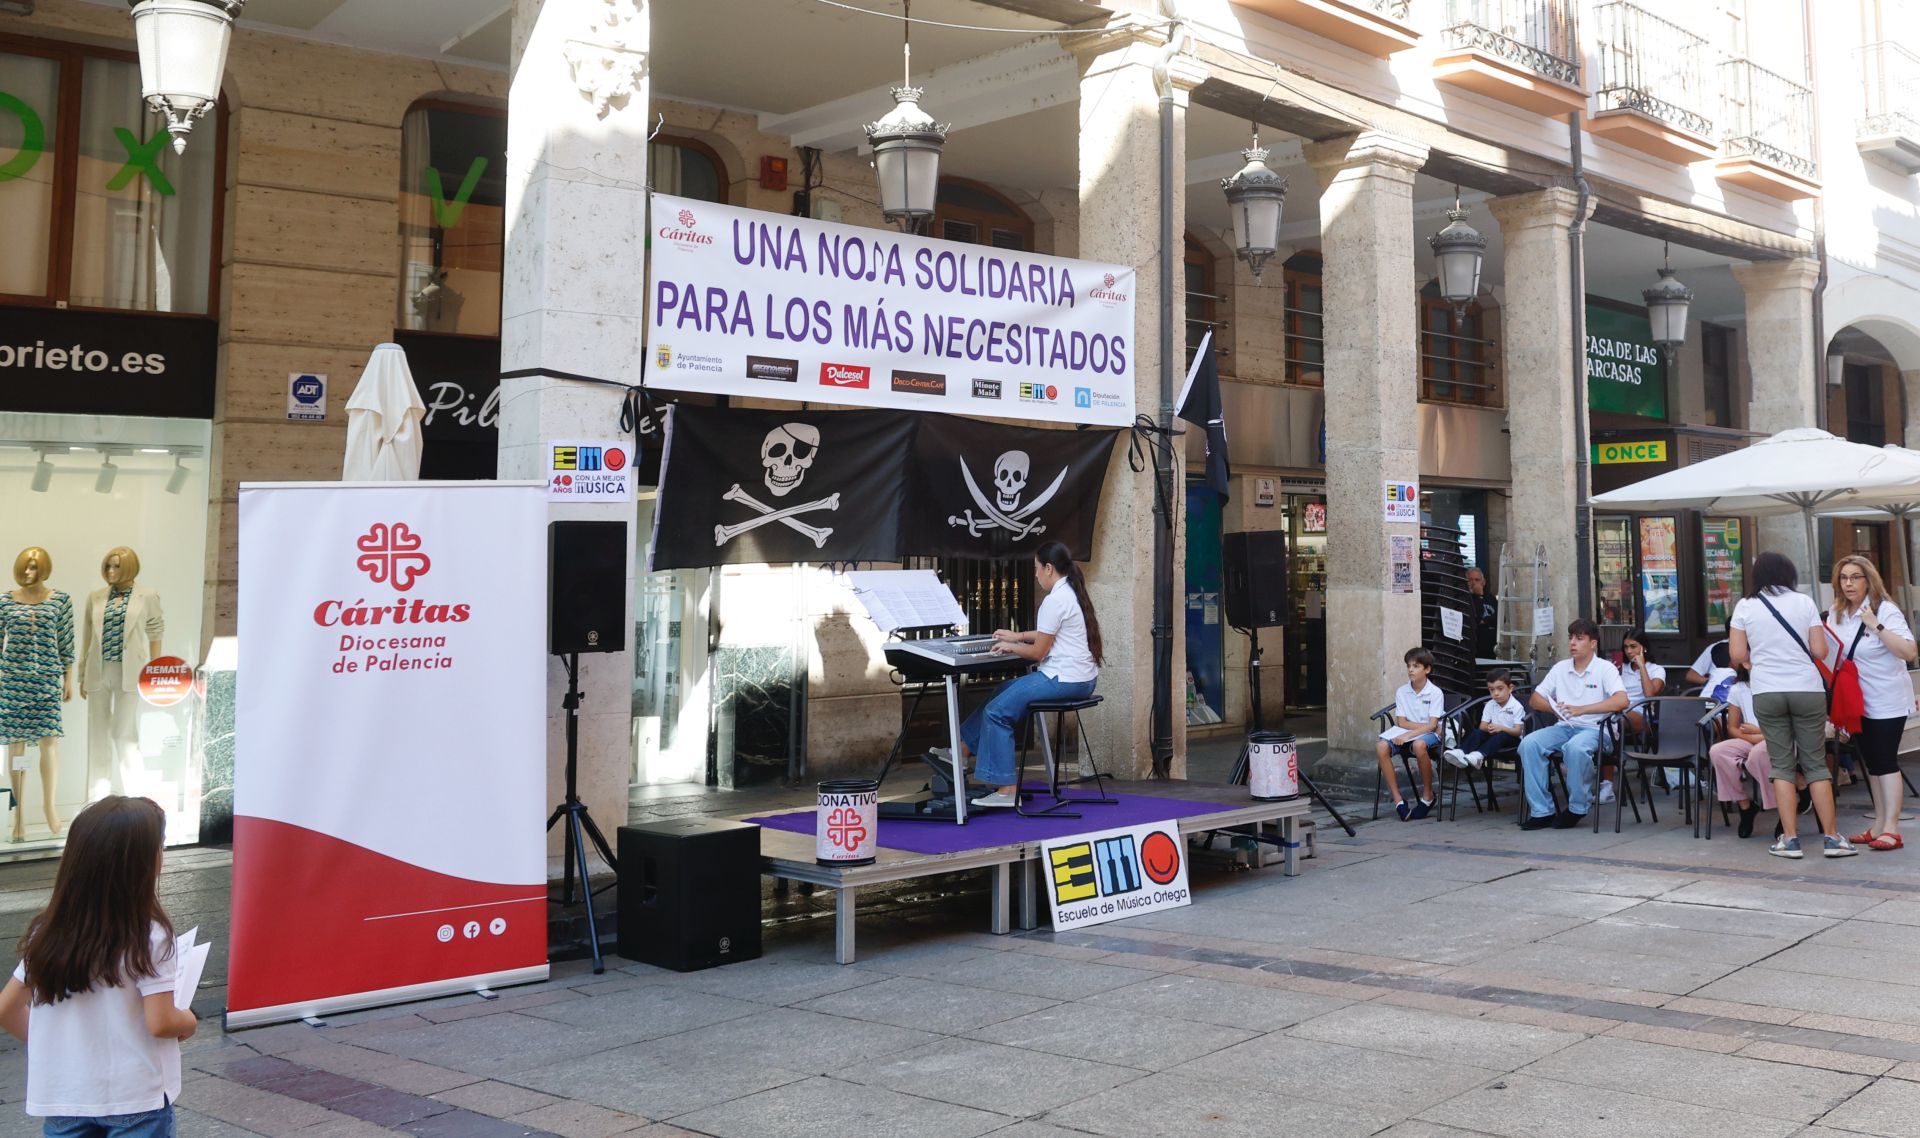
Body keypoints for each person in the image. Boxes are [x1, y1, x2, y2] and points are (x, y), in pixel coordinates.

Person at [0, 796, 195, 1135]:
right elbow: (162, 1022)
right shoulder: (150, 934)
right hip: (135, 1097)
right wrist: (189, 1021)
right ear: (142, 863)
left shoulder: (45, 931)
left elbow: (6, 1009)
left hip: (64, 1097)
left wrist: (61, 1049)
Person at [954, 542, 1101, 809]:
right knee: (1003, 690)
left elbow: (1038, 653)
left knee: (996, 712)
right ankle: (961, 751)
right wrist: (1018, 635)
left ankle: (1007, 789)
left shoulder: (1054, 600)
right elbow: (1049, 633)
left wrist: (1012, 646)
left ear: (1048, 568)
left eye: (1036, 569)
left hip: (1063, 680)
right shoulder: (1070, 591)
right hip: (1081, 679)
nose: (1034, 575)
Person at [1729, 551, 1850, 859]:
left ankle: (1790, 840)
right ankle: (1832, 839)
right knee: (1815, 765)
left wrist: (1757, 660)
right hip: (1806, 689)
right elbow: (1820, 651)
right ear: (1788, 573)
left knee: (1781, 766)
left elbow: (1736, 653)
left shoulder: (1745, 606)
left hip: (1767, 690)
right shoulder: (1804, 602)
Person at [1825, 555, 1917, 851]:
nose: (1848, 583)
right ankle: (1878, 824)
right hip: (1855, 701)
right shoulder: (1835, 613)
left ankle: (1892, 828)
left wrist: (1875, 625)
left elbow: (1908, 651)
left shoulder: (1885, 610)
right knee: (1872, 764)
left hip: (1888, 698)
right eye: (1843, 578)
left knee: (1886, 760)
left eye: (1855, 577)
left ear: (1869, 580)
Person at [1519, 618, 1629, 830]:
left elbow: (1622, 700)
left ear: (1593, 643)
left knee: (1576, 747)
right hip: (1565, 728)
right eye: (1570, 638)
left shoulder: (1605, 668)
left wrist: (1583, 709)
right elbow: (1535, 699)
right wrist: (1555, 709)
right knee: (1529, 744)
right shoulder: (1560, 668)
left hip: (1597, 729)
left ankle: (1577, 807)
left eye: (1579, 638)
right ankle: (1542, 811)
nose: (1572, 643)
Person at [1376, 647, 1446, 820]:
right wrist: (1424, 727)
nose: (1410, 670)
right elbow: (1402, 722)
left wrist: (1412, 733)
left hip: (1425, 736)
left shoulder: (1435, 692)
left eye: (1415, 666)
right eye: (1408, 666)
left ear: (1427, 669)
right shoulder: (1402, 691)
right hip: (1408, 731)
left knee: (1419, 744)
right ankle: (1398, 799)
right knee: (1381, 746)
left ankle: (1428, 796)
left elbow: (1433, 726)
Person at [1600, 629, 1667, 804]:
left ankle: (1607, 784)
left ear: (1643, 648)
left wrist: (1642, 667)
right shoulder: (1620, 668)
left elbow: (1651, 694)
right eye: (1626, 647)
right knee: (1607, 724)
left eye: (1633, 646)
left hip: (1641, 715)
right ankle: (1606, 785)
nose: (1629, 651)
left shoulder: (1656, 669)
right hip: (1615, 712)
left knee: (1615, 722)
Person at [1707, 666, 1775, 838]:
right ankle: (1745, 806)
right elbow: (1732, 728)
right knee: (1718, 751)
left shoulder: (1777, 683)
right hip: (1751, 738)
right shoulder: (1739, 688)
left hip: (1778, 739)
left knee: (1758, 755)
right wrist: (1755, 738)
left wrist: (1761, 735)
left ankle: (1783, 811)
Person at [1442, 668, 1525, 770]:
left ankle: (1478, 756)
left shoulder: (1516, 706)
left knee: (1501, 735)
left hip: (1512, 738)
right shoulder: (1490, 705)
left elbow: (1517, 731)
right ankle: (1461, 752)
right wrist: (1490, 728)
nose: (1496, 693)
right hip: (1494, 735)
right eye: (1492, 690)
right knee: (1478, 733)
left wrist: (1501, 728)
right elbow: (1482, 726)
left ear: (1510, 688)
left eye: (1500, 688)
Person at [1466, 568, 1498, 660]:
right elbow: (1476, 619)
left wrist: (1485, 621)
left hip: (1491, 645)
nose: (1473, 583)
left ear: (1483, 582)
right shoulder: (1466, 600)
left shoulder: (1491, 599)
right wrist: (1478, 596)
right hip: (1475, 645)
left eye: (1477, 580)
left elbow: (1499, 619)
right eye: (1470, 580)